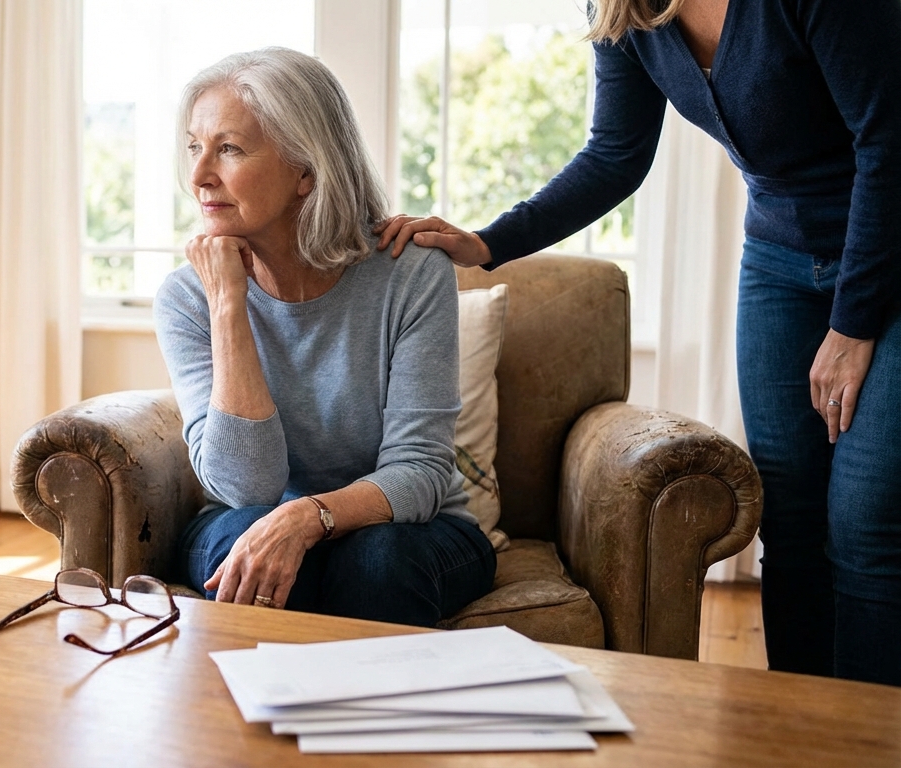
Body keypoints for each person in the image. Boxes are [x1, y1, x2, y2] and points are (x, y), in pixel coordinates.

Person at [376, 0, 901, 685]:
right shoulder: (624, 9)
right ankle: (800, 729)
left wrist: (852, 325)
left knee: (865, 519)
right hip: (778, 258)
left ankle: (870, 735)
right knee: (792, 517)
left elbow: (888, 142)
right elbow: (615, 153)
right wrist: (489, 243)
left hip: (885, 258)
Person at [153, 47, 496, 627]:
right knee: (247, 540)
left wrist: (308, 517)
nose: (199, 175)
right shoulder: (190, 297)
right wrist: (229, 307)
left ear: (306, 171)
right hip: (251, 514)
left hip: (408, 530)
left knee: (375, 560)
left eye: (228, 149)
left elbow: (419, 470)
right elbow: (246, 488)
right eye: (195, 146)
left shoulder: (410, 272)